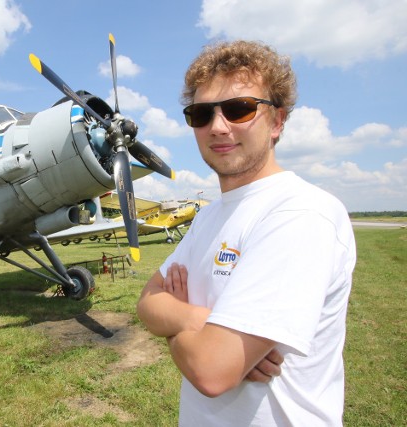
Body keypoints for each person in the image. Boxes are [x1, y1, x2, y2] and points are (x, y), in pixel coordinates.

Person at [136, 40, 356, 426]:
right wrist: (204, 321)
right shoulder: (209, 216)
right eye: (201, 114)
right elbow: (147, 303)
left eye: (240, 109)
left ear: (277, 121)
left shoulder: (300, 212)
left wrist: (176, 323)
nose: (218, 126)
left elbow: (210, 370)